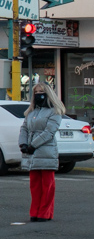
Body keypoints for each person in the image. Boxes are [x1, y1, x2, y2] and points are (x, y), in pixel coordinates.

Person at [19, 83, 64, 222]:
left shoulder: (55, 112)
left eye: (42, 91)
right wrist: (23, 143)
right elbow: (24, 128)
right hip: (32, 153)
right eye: (36, 92)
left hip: (46, 150)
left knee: (47, 185)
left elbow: (49, 132)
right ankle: (35, 212)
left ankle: (45, 213)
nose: (39, 94)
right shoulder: (31, 112)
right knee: (35, 185)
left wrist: (33, 145)